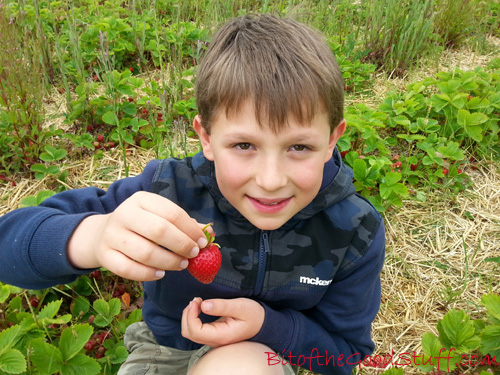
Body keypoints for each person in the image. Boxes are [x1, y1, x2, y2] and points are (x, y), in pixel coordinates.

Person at [0, 13, 385, 375]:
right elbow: (9, 244)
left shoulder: (355, 229)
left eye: (299, 147)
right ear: (206, 137)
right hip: (164, 350)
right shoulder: (168, 188)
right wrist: (94, 236)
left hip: (263, 355)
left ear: (333, 139)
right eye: (244, 146)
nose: (271, 180)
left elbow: (343, 354)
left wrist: (269, 327)